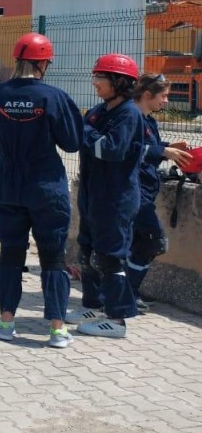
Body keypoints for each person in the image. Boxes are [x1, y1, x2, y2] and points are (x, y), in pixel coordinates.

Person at [0, 33, 84, 348]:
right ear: (43, 63)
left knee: (10, 252)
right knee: (52, 255)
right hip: (45, 187)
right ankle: (57, 329)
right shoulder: (54, 97)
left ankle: (5, 323)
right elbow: (72, 142)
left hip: (6, 185)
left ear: (17, 59)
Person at [72, 54, 145, 338]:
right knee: (88, 252)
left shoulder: (129, 114)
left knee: (109, 257)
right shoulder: (98, 111)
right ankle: (94, 307)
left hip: (116, 199)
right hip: (93, 194)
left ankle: (117, 320)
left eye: (100, 77)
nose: (95, 82)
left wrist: (86, 132)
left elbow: (111, 149)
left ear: (119, 82)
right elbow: (84, 139)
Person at [127, 73, 192, 305]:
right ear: (147, 95)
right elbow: (129, 149)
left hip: (145, 192)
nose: (166, 101)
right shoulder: (130, 117)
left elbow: (148, 149)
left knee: (138, 244)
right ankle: (123, 294)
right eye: (163, 96)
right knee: (154, 242)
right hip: (133, 193)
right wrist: (163, 151)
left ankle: (124, 293)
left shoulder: (149, 121)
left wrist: (168, 148)